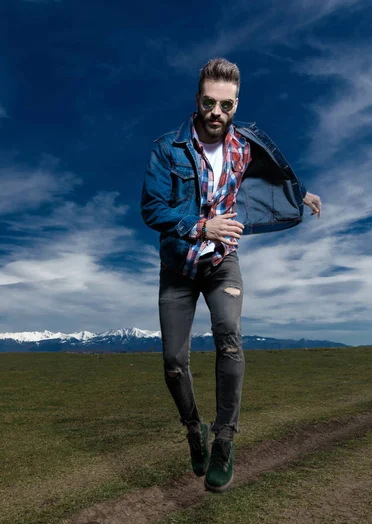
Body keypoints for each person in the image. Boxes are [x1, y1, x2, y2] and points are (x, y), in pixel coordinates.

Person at [141, 58, 321, 493]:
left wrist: (298, 196)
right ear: (197, 101)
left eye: (226, 104)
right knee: (173, 363)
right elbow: (152, 209)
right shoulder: (168, 148)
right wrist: (202, 225)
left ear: (236, 104)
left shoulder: (243, 147)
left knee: (229, 337)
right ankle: (193, 430)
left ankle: (224, 439)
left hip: (223, 262)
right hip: (179, 266)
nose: (216, 112)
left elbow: (266, 176)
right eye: (209, 102)